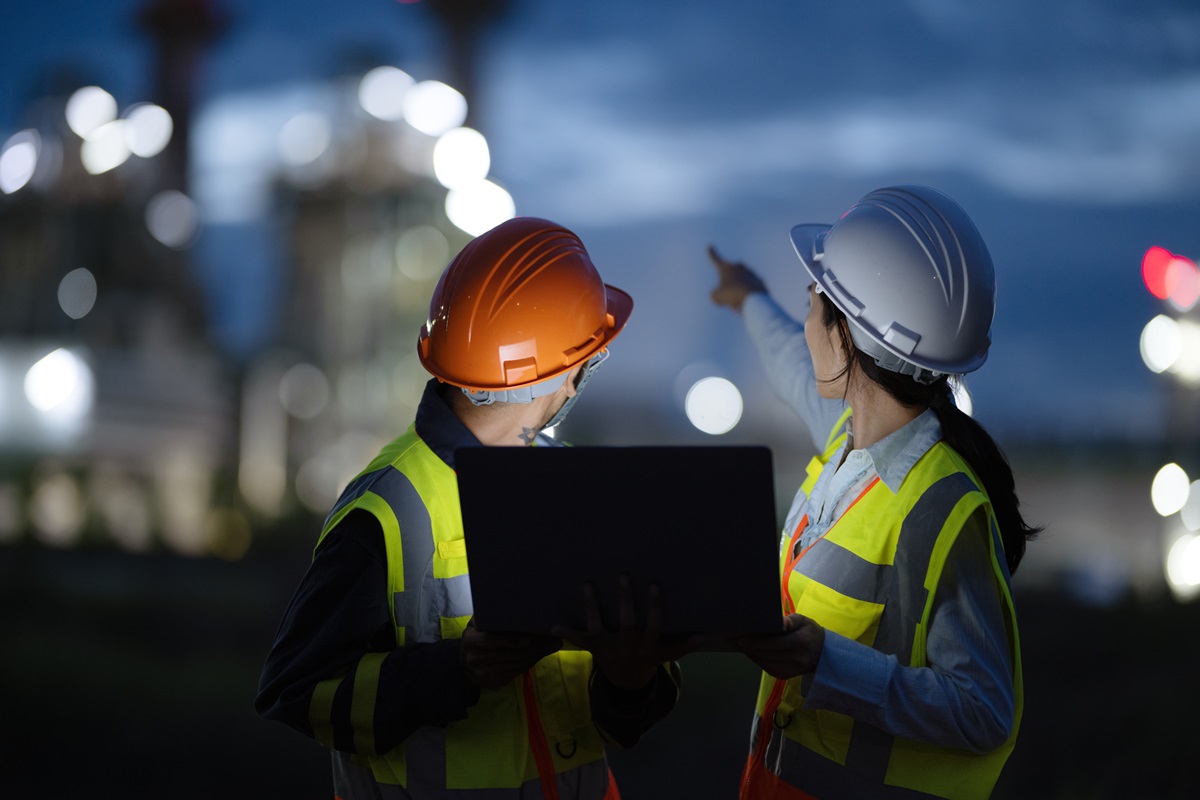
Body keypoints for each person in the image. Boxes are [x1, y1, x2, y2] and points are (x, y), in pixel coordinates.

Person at [256, 216, 686, 800]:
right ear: (564, 373)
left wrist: (632, 677)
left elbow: (620, 719)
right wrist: (457, 670)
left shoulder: (573, 487)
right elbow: (297, 690)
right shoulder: (384, 511)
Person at [707, 185, 1040, 800]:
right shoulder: (851, 437)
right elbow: (788, 358)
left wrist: (821, 661)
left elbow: (984, 711)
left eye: (813, 301)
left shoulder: (938, 507)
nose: (806, 322)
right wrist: (747, 296)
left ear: (846, 337)